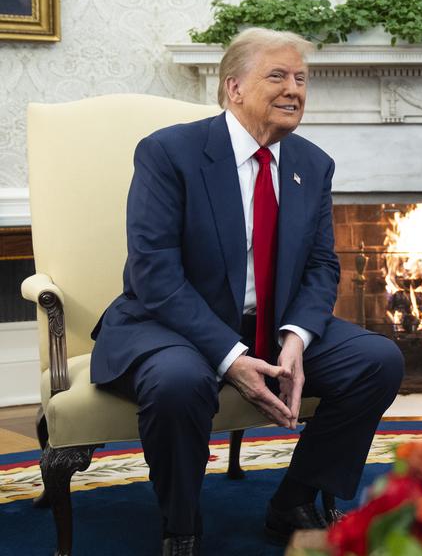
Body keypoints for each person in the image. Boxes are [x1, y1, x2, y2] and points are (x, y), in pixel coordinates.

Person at [90, 28, 404, 555]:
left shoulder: (311, 163)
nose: (294, 89)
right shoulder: (170, 153)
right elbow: (154, 273)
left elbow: (323, 265)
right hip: (170, 327)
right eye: (277, 75)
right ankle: (182, 527)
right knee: (177, 382)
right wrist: (230, 356)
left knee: (378, 360)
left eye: (301, 78)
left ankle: (294, 501)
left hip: (269, 324)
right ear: (233, 87)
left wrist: (297, 337)